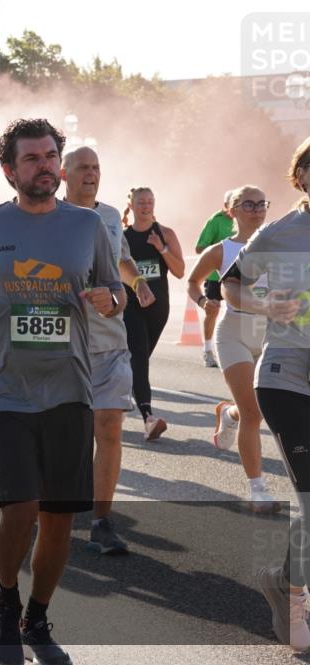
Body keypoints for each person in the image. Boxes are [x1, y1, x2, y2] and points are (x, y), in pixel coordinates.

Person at [0, 118, 122, 665]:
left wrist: (109, 301)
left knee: (58, 516)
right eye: (33, 158)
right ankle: (6, 600)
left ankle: (37, 614)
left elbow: (115, 289)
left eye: (52, 156)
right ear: (10, 171)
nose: (46, 165)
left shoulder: (87, 225)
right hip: (6, 386)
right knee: (20, 507)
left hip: (71, 386)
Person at [224, 137, 310, 651]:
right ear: (300, 178)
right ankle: (296, 595)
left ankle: (281, 577)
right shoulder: (280, 234)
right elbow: (230, 287)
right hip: (286, 375)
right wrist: (264, 308)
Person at [62, 146, 155, 555]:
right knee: (67, 435)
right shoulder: (48, 216)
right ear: (64, 174)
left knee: (110, 427)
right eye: (82, 167)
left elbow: (123, 259)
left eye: (96, 167)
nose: (91, 174)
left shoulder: (112, 216)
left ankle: (102, 521)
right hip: (62, 346)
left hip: (110, 342)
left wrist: (137, 282)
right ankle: (53, 511)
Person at [188, 185, 278, 513]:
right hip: (234, 334)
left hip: (270, 335)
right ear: (232, 211)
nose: (256, 210)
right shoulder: (220, 251)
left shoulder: (278, 245)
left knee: (261, 407)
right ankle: (258, 490)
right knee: (254, 413)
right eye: (248, 204)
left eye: (261, 204)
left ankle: (229, 414)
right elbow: (192, 281)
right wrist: (203, 301)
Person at [122, 186, 186, 440]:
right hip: (131, 305)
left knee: (137, 360)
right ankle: (149, 417)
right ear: (132, 205)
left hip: (159, 307)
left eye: (150, 202)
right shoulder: (123, 236)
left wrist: (162, 248)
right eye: (141, 203)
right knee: (139, 357)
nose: (146, 206)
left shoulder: (164, 233)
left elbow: (180, 271)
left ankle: (115, 399)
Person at [195, 190, 237, 367]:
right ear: (225, 206)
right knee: (213, 310)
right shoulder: (216, 221)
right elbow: (199, 247)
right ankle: (207, 350)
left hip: (238, 276)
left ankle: (236, 351)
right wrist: (218, 254)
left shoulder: (246, 221)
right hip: (215, 276)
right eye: (232, 204)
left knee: (239, 312)